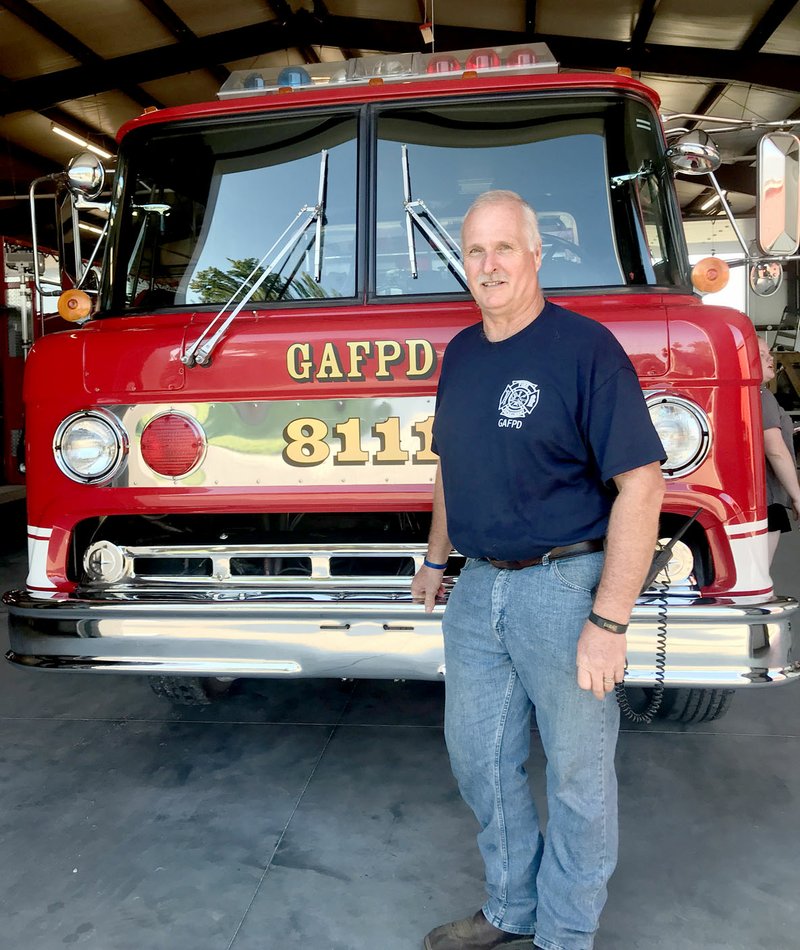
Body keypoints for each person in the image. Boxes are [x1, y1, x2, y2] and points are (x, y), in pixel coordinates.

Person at [411, 190, 666, 950]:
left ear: (535, 255)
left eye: (504, 249)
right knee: (479, 762)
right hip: (478, 584)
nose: (488, 266)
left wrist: (609, 620)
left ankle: (563, 934)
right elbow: (450, 469)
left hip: (565, 586)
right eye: (476, 252)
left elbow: (643, 483)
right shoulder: (460, 352)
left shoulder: (584, 350)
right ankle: (511, 908)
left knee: (578, 781)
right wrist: (434, 557)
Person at [758, 337, 800, 564]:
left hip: (756, 498)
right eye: (762, 355)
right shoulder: (762, 396)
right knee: (759, 575)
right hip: (767, 499)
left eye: (769, 354)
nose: (771, 359)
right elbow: (775, 450)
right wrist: (797, 497)